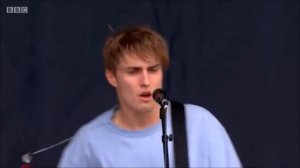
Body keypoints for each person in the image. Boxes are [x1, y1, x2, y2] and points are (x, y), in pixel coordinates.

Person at [58, 25, 242, 167]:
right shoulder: (89, 143)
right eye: (133, 71)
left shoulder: (200, 125)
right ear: (112, 77)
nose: (145, 81)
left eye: (153, 70)